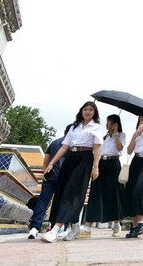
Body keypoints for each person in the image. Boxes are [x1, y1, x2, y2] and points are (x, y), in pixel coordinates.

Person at [39, 101, 103, 243]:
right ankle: (75, 227)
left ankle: (55, 230)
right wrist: (51, 163)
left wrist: (95, 167)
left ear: (94, 113)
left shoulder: (97, 127)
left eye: (91, 110)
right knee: (63, 192)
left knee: (73, 193)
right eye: (85, 109)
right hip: (70, 158)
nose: (87, 112)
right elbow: (64, 147)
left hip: (85, 159)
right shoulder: (74, 127)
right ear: (81, 111)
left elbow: (97, 148)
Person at [80, 114, 126, 237]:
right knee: (95, 193)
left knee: (114, 193)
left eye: (109, 122)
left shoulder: (122, 135)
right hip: (101, 164)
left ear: (115, 124)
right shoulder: (103, 136)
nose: (106, 124)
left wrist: (116, 134)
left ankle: (116, 222)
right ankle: (88, 226)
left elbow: (120, 148)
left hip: (114, 163)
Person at [28, 125, 69, 239]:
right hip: (64, 178)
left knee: (43, 201)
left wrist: (46, 173)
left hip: (50, 176)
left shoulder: (54, 142)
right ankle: (58, 226)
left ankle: (34, 228)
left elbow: (45, 161)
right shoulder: (71, 145)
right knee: (61, 203)